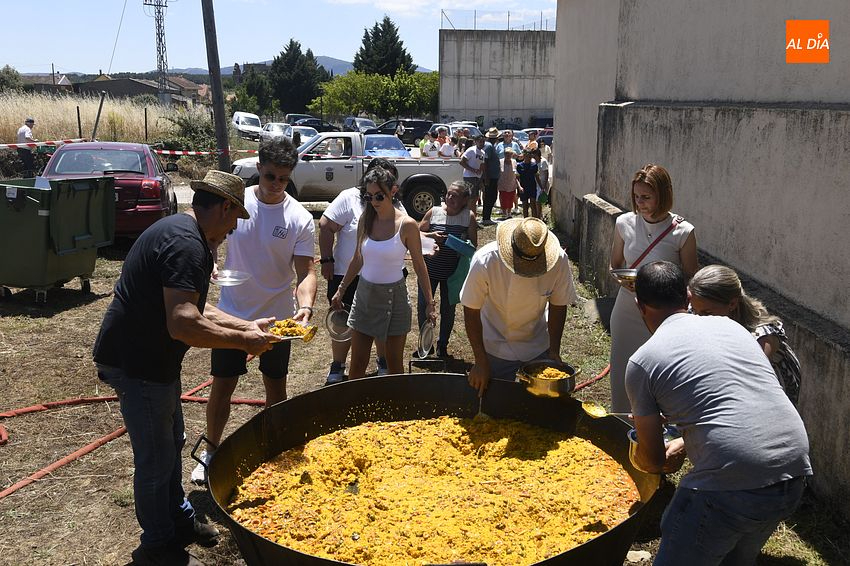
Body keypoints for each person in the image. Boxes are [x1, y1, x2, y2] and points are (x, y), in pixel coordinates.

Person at [93, 170, 279, 566]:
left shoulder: (185, 232)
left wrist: (244, 325)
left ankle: (177, 519)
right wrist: (243, 342)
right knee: (156, 458)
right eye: (234, 219)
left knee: (172, 441)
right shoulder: (186, 245)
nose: (232, 230)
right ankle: (158, 548)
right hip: (138, 362)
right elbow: (182, 323)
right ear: (225, 207)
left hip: (155, 362)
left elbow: (194, 307)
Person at [626, 261, 812, 566]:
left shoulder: (642, 362)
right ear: (687, 298)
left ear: (639, 305)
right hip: (793, 471)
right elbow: (733, 398)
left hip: (733, 485)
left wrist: (649, 450)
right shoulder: (732, 328)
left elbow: (654, 461)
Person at [192, 138, 316, 485]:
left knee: (275, 385)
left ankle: (273, 447)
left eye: (283, 178)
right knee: (223, 384)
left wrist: (304, 307)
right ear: (258, 168)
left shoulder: (299, 217)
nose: (276, 184)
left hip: (278, 318)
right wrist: (211, 261)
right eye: (270, 176)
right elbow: (209, 236)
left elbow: (306, 271)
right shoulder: (236, 202)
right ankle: (211, 451)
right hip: (234, 313)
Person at [608, 163, 698, 413]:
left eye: (646, 197)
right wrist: (622, 280)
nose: (640, 203)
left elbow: (690, 276)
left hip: (664, 313)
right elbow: (615, 264)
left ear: (663, 195)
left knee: (661, 373)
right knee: (623, 371)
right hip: (628, 306)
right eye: (636, 197)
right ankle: (622, 426)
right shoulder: (624, 223)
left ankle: (662, 433)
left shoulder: (683, 231)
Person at [331, 168, 436, 379]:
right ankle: (355, 410)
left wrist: (430, 303)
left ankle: (395, 411)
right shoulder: (365, 220)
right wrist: (340, 290)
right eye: (368, 196)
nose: (374, 201)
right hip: (365, 297)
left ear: (393, 191)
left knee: (393, 365)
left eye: (379, 196)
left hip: (394, 300)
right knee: (358, 364)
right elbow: (357, 258)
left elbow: (419, 264)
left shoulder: (406, 225)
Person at [462, 217, 578, 394]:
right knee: (496, 405)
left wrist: (554, 351)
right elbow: (471, 309)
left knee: (536, 409)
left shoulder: (559, 261)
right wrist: (480, 361)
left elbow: (558, 305)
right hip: (495, 343)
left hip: (537, 344)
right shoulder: (485, 261)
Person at [319, 158, 407, 384]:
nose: (378, 193)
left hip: (385, 279)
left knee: (383, 325)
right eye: (373, 188)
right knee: (342, 322)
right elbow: (326, 225)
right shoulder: (349, 197)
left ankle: (382, 363)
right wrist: (327, 259)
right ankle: (338, 365)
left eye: (386, 184)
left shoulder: (396, 205)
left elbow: (408, 235)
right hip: (347, 273)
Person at [688, 265, 802, 405]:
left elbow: (742, 377)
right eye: (694, 310)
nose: (698, 318)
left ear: (732, 304)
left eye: (706, 313)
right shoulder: (699, 312)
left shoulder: (761, 337)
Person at [418, 181, 478, 358]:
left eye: (455, 195)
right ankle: (425, 346)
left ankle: (442, 345)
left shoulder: (469, 217)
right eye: (449, 194)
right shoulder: (434, 212)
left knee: (448, 309)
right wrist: (432, 236)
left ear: (465, 200)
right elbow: (416, 233)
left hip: (453, 274)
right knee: (423, 307)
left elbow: (473, 247)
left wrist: (457, 244)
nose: (450, 198)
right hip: (429, 271)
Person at [481, 127, 501, 226]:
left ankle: (486, 216)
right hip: (490, 176)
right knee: (490, 196)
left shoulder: (489, 146)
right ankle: (486, 217)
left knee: (490, 196)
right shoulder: (489, 146)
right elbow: (486, 161)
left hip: (492, 176)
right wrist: (487, 177)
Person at [460, 134, 485, 209]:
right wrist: (472, 170)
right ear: (475, 142)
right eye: (480, 141)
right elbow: (462, 162)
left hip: (478, 177)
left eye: (483, 141)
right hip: (469, 177)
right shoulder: (471, 150)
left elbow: (481, 165)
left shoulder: (482, 152)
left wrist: (481, 176)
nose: (482, 143)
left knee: (475, 197)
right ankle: (468, 215)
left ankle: (473, 214)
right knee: (470, 198)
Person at [515, 149, 542, 219]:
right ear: (524, 156)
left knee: (533, 204)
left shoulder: (534, 165)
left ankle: (534, 220)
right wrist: (519, 187)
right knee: (525, 205)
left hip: (532, 187)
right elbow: (517, 178)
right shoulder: (519, 166)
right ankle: (525, 221)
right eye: (526, 156)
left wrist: (541, 187)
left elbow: (537, 177)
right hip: (523, 187)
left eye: (529, 156)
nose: (528, 158)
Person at [496, 147, 520, 219]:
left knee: (511, 198)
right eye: (506, 154)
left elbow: (516, 174)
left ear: (512, 155)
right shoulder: (500, 161)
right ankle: (504, 213)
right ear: (504, 154)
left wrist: (519, 185)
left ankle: (509, 212)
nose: (508, 156)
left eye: (509, 154)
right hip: (502, 183)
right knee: (503, 198)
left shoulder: (514, 162)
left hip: (512, 183)